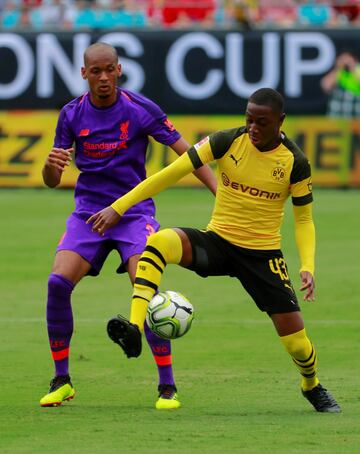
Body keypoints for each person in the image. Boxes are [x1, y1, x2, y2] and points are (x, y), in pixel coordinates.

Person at [87, 87, 341, 413]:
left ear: (280, 121)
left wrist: (308, 265)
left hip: (262, 256)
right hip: (218, 242)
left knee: (295, 341)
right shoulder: (226, 141)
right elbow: (170, 174)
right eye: (249, 119)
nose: (253, 128)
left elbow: (304, 218)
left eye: (262, 122)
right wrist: (119, 207)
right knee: (158, 242)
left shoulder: (295, 162)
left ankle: (311, 384)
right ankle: (135, 328)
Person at [40, 42, 217, 409]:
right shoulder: (71, 115)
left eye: (109, 70)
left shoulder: (140, 109)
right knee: (57, 283)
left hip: (134, 213)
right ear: (84, 74)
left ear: (119, 70)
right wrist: (51, 168)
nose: (103, 77)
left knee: (145, 284)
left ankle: (167, 387)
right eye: (96, 71)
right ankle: (62, 381)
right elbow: (52, 181)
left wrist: (219, 191)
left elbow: (189, 154)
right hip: (89, 213)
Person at [320, 50, 360, 118]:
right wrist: (339, 68)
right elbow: (326, 85)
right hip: (338, 115)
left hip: (355, 114)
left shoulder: (357, 69)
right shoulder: (338, 72)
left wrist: (353, 67)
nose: (345, 62)